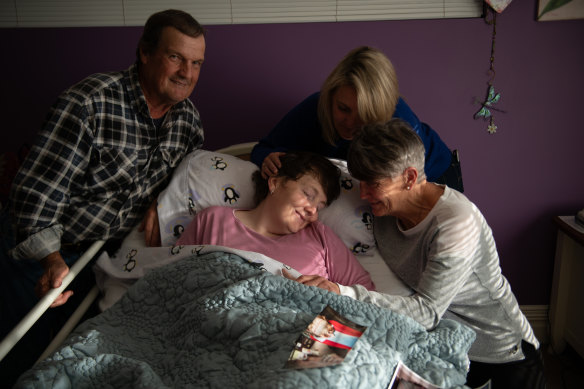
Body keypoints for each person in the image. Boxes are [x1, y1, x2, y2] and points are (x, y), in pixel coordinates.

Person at [0, 9, 205, 385]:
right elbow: (35, 195)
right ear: (144, 52)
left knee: (59, 358)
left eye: (196, 63)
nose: (186, 73)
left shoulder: (188, 123)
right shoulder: (91, 102)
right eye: (176, 57)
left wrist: (160, 207)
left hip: (103, 256)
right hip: (39, 246)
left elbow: (188, 188)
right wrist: (51, 258)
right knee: (15, 349)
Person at [288, 120, 545, 388]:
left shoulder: (457, 222)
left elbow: (427, 312)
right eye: (361, 182)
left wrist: (344, 293)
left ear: (409, 177)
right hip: (438, 342)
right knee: (307, 368)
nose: (363, 193)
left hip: (498, 350)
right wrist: (274, 158)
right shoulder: (384, 209)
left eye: (373, 184)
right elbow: (332, 171)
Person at [250, 45, 463, 192]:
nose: (350, 123)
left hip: (434, 175)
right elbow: (262, 149)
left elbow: (404, 189)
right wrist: (268, 159)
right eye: (343, 109)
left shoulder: (400, 122)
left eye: (364, 118)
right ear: (330, 97)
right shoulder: (315, 107)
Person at [176, 151, 375, 290]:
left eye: (319, 207)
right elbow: (172, 276)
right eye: (308, 194)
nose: (312, 212)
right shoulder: (213, 220)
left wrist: (333, 290)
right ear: (275, 183)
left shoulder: (319, 235)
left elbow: (365, 293)